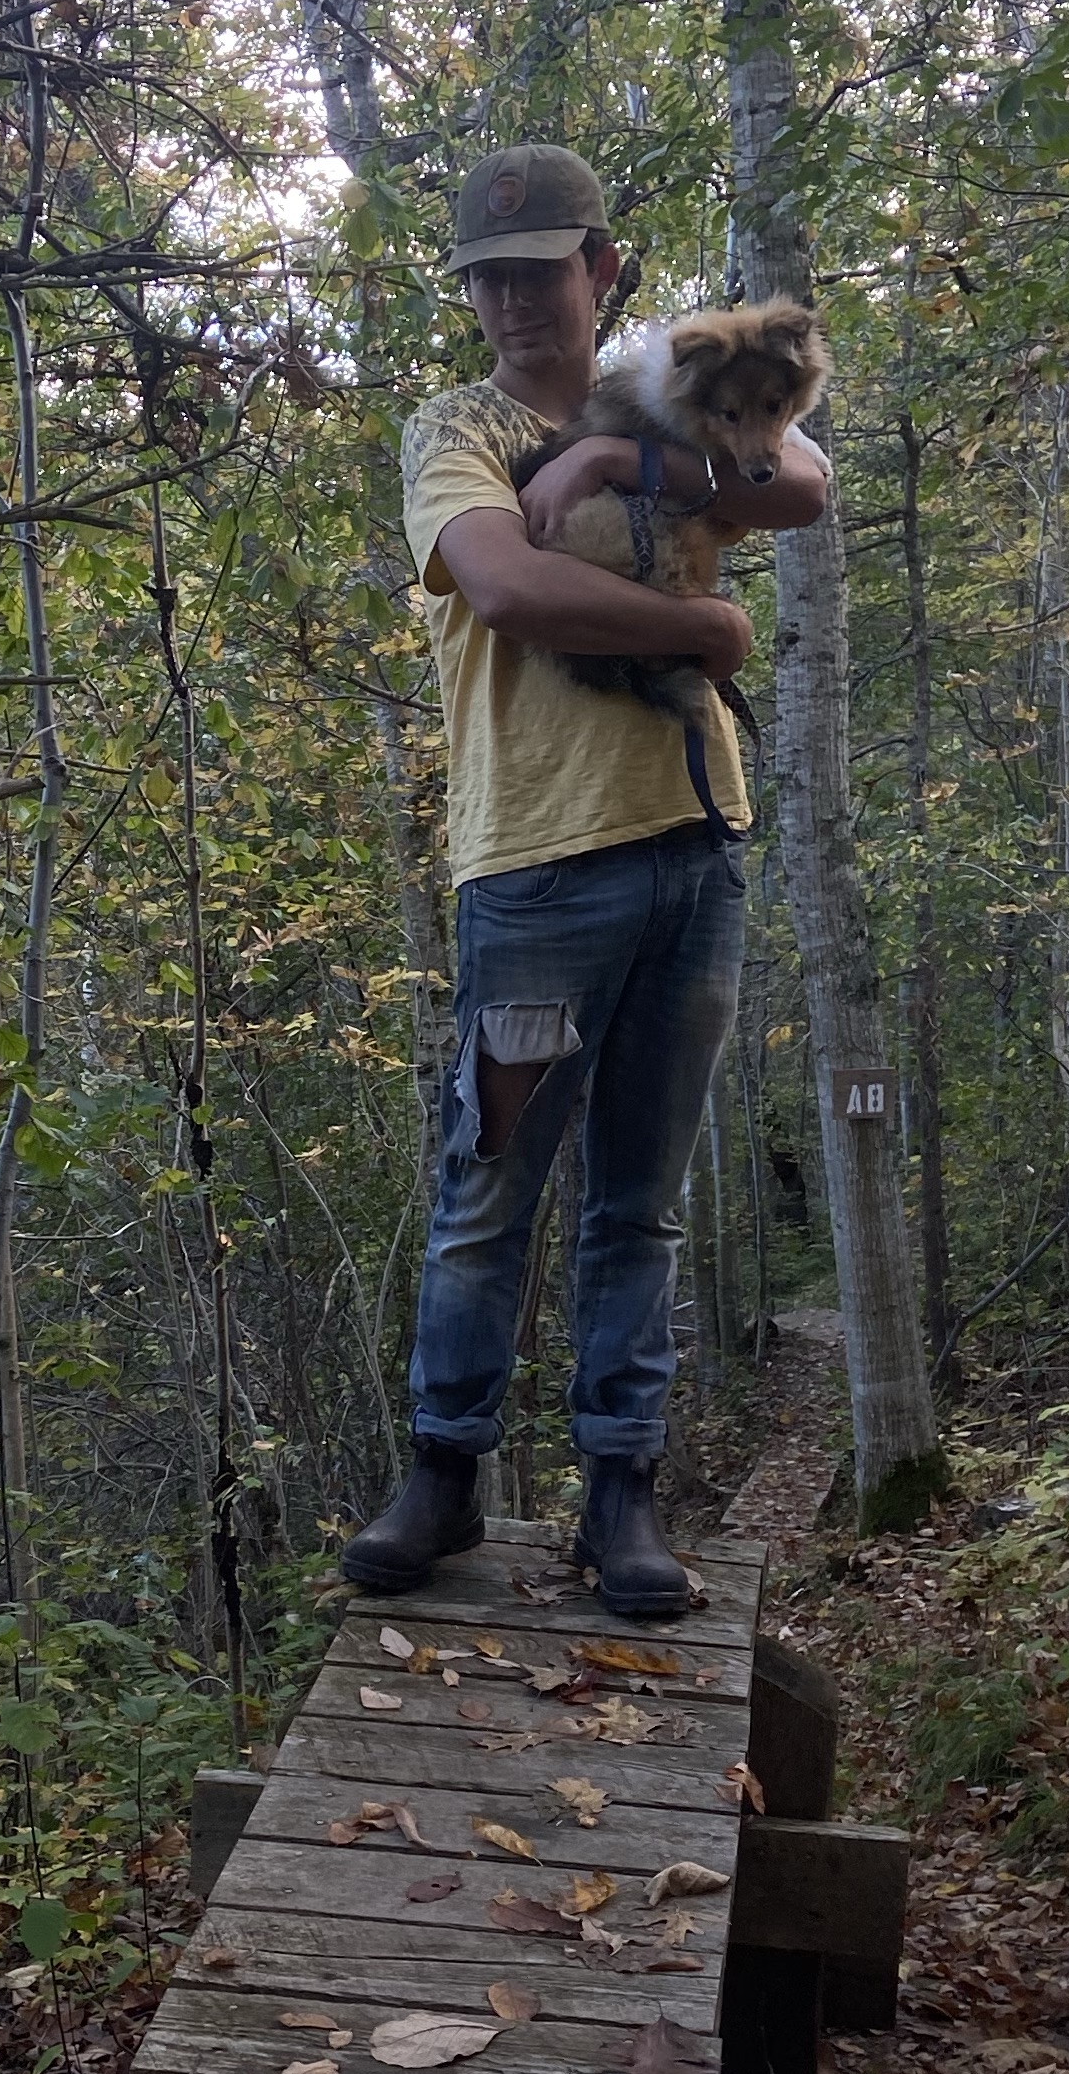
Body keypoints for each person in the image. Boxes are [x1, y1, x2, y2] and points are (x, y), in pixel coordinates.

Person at [343, 144, 831, 1617]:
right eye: (484, 276)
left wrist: (619, 461)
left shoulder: (673, 386)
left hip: (695, 857)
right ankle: (443, 1478)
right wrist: (709, 636)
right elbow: (506, 584)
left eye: (537, 269)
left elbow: (796, 478)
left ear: (600, 270)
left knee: (644, 1203)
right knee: (491, 1190)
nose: (507, 301)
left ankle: (623, 1495)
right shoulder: (457, 426)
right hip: (537, 877)